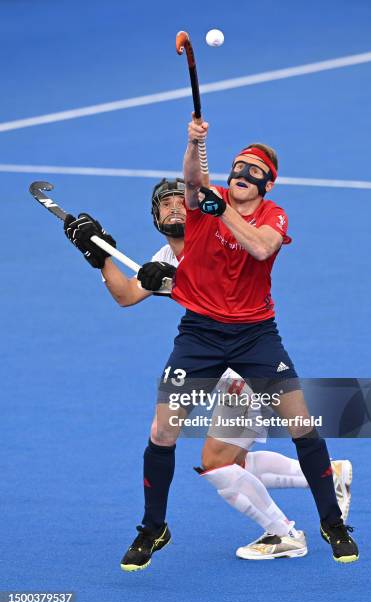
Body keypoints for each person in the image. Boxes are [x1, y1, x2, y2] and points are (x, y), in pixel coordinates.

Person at [63, 178, 353, 568]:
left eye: (180, 200)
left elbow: (222, 278)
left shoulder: (218, 233)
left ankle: (286, 532)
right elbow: (126, 295)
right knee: (183, 442)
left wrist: (171, 279)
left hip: (247, 355)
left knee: (219, 462)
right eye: (165, 204)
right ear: (156, 217)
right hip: (204, 352)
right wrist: (100, 257)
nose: (174, 207)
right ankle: (326, 476)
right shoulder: (166, 252)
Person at [134, 117, 359, 565]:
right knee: (162, 431)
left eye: (253, 171)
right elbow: (194, 180)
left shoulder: (273, 216)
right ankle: (153, 529)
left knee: (302, 425)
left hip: (256, 335)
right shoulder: (205, 201)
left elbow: (259, 247)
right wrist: (194, 143)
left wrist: (227, 214)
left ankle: (332, 523)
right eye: (238, 167)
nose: (241, 175)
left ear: (266, 185)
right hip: (199, 334)